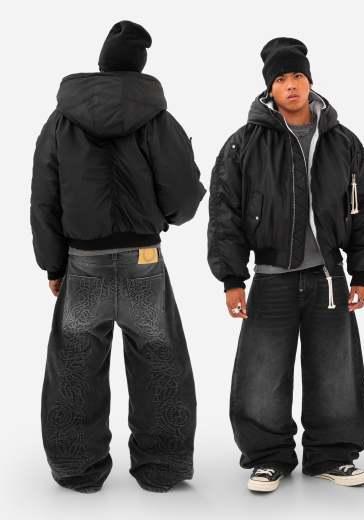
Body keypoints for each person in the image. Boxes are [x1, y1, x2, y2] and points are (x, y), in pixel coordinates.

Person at [30, 20, 206, 493]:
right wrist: (165, 218)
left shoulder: (61, 119)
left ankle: (76, 468)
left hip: (82, 261)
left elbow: (44, 198)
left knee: (74, 364)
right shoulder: (158, 119)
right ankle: (163, 467)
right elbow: (184, 195)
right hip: (142, 259)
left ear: (103, 62)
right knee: (160, 361)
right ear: (139, 66)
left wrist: (54, 263)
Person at [207, 37, 364, 492]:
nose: (291, 85)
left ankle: (333, 455)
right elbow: (225, 214)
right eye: (281, 78)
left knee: (335, 370)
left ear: (310, 81)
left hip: (329, 277)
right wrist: (231, 278)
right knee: (262, 373)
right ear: (270, 88)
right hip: (271, 278)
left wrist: (363, 272)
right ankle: (268, 458)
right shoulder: (243, 144)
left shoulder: (342, 141)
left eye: (298, 76)